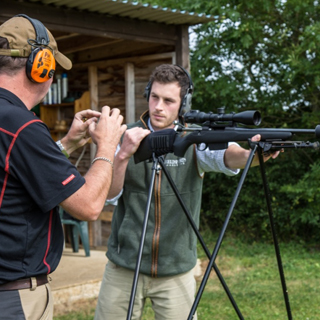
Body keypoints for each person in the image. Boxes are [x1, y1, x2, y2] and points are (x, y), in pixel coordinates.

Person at [94, 64, 279, 320]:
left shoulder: (193, 139)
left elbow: (228, 156)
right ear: (147, 93)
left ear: (183, 104)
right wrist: (124, 153)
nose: (159, 106)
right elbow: (109, 196)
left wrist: (255, 154)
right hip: (124, 266)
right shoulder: (125, 136)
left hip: (176, 270)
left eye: (169, 100)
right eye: (154, 97)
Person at [0, 14, 126, 319]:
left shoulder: (12, 126)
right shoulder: (23, 126)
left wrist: (66, 144)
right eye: (52, 67)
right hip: (14, 297)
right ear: (40, 66)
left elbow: (13, 173)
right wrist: (107, 145)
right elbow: (89, 206)